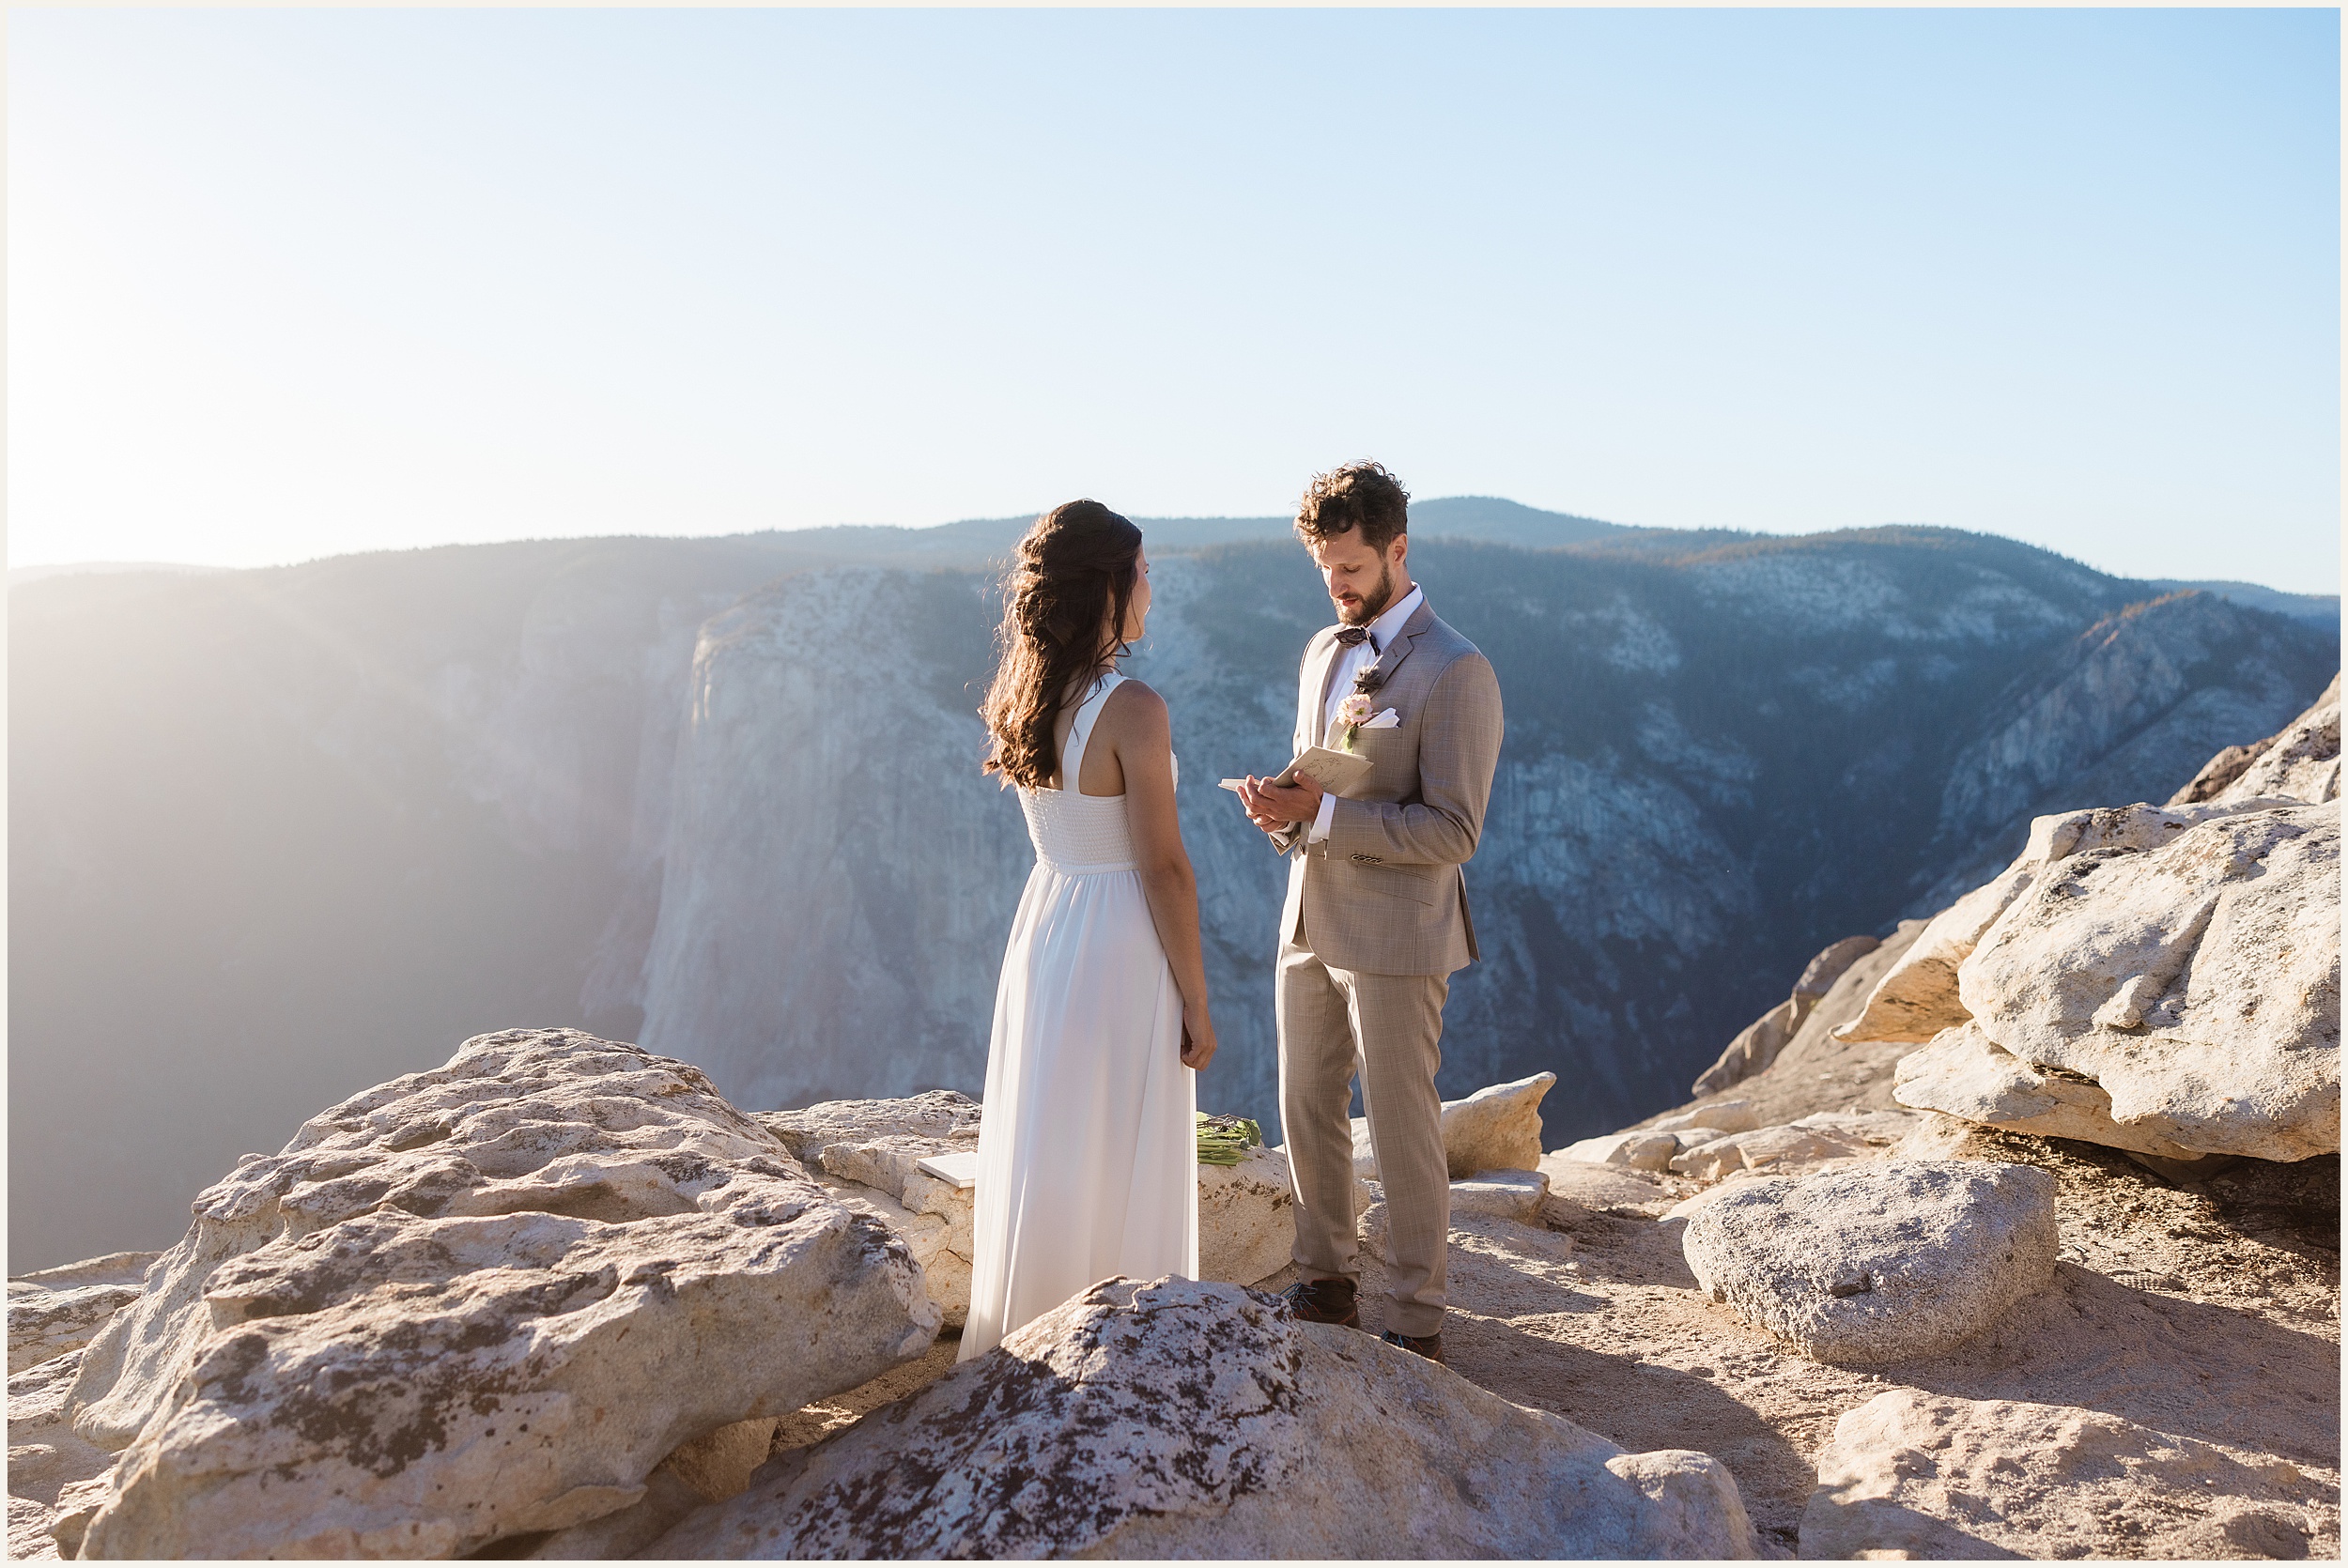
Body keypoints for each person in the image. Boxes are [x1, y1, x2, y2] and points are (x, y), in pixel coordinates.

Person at [1236, 461, 1503, 1364]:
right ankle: (1323, 1283)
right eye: (1324, 570)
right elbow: (1319, 777)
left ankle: (1419, 1318)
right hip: (1306, 916)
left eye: (1351, 568)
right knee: (1303, 1105)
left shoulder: (1457, 670)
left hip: (1398, 933)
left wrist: (1330, 817)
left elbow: (1455, 831)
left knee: (1399, 1124)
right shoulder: (1322, 651)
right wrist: (1283, 811)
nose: (1337, 586)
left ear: (1398, 550)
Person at [960, 499, 1218, 1361]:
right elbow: (1164, 868)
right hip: (1119, 937)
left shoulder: (1027, 693)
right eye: (1141, 570)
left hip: (1048, 924)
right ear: (1107, 587)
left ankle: (1030, 1329)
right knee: (1120, 1135)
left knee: (1056, 1131)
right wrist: (1198, 997)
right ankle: (1124, 1353)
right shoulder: (1134, 708)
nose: (1151, 585)